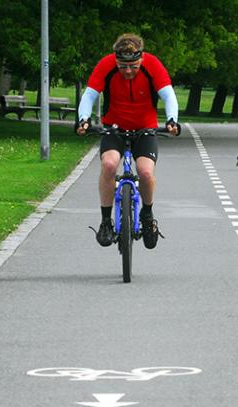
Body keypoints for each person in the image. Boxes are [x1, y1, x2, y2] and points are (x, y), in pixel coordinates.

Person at [76, 33, 180, 250]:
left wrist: (172, 120)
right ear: (116, 61)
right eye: (123, 66)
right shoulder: (106, 65)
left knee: (145, 172)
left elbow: (168, 95)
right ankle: (106, 220)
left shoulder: (152, 65)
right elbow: (89, 95)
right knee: (109, 164)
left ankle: (148, 214)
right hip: (114, 127)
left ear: (141, 59)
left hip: (145, 128)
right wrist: (83, 119)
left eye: (133, 66)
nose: (128, 71)